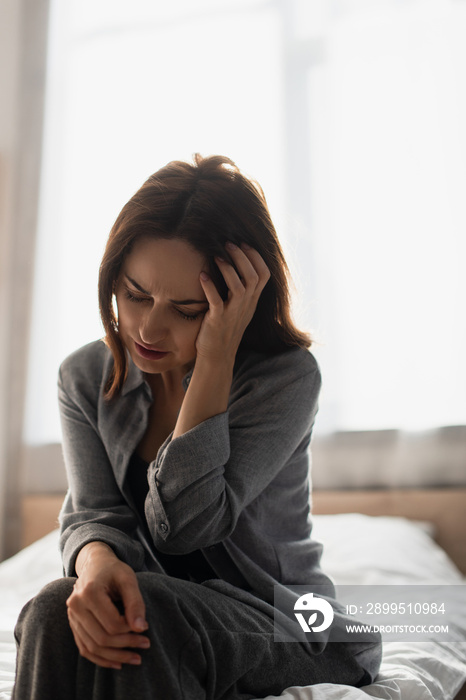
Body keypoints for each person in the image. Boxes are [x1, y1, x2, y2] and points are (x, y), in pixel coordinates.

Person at [13, 154, 381, 699]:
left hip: (287, 623)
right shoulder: (84, 376)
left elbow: (185, 526)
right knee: (50, 607)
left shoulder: (284, 379)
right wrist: (92, 565)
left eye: (187, 309)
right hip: (164, 612)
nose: (148, 327)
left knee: (150, 612)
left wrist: (213, 360)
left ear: (237, 304)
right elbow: (94, 514)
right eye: (136, 294)